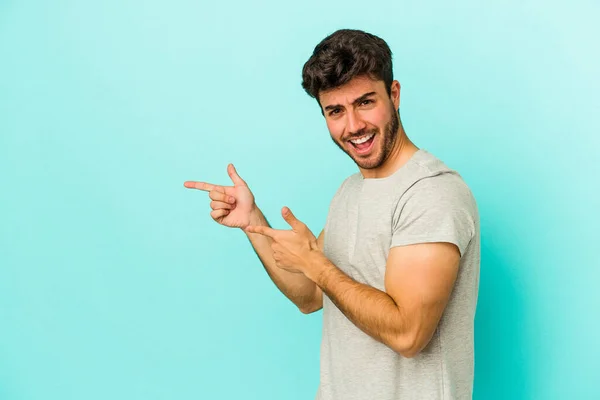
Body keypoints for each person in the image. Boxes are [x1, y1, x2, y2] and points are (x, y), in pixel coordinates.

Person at [184, 29, 480, 400]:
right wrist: (252, 222)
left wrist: (317, 265)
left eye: (365, 102)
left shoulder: (432, 193)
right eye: (335, 111)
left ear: (395, 95)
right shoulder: (349, 191)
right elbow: (310, 294)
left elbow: (409, 333)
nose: (353, 126)